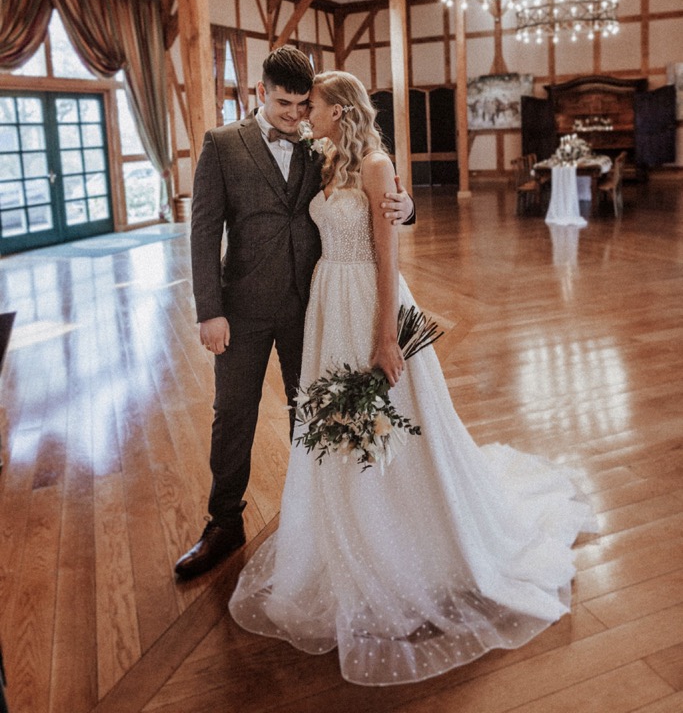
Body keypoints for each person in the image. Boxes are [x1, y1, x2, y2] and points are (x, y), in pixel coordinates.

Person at [228, 70, 597, 686]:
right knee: (334, 423)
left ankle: (404, 533)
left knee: (393, 418)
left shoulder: (376, 165)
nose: (304, 115)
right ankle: (345, 524)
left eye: (312, 105)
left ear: (338, 111)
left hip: (371, 299)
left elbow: (387, 252)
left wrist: (385, 336)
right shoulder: (322, 160)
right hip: (327, 302)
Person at [175, 47, 413, 580]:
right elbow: (204, 231)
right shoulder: (221, 144)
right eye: (284, 103)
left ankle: (317, 513)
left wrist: (408, 206)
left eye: (304, 105)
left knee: (312, 409)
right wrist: (209, 311)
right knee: (232, 413)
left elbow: (368, 192)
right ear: (261, 92)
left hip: (312, 306)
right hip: (241, 308)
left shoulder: (319, 146)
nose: (295, 115)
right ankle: (224, 522)